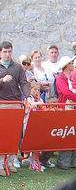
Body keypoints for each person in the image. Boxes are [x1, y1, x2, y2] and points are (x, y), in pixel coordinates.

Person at [0, 41, 36, 175]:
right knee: (2, 135)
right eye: (5, 51)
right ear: (0, 52)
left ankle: (9, 162)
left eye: (9, 51)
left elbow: (24, 83)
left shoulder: (17, 67)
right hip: (2, 104)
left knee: (13, 134)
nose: (8, 54)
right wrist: (2, 81)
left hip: (16, 104)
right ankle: (0, 164)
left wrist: (28, 97)